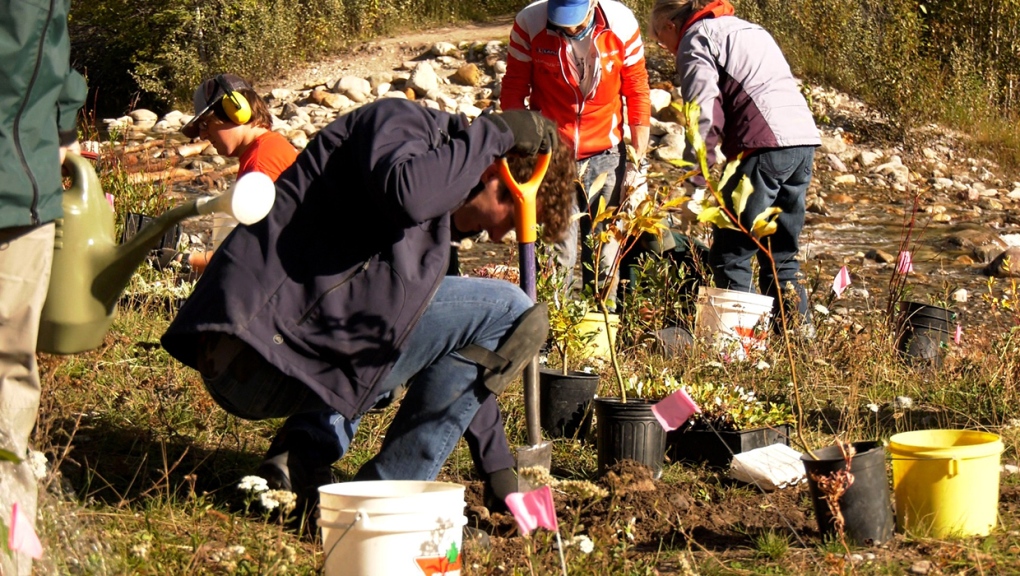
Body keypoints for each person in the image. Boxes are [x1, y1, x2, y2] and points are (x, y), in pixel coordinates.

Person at [161, 99, 575, 510]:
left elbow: (463, 364)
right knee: (513, 309)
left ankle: (301, 453)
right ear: (493, 173)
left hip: (279, 354)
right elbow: (406, 194)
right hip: (250, 351)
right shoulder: (402, 124)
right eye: (513, 216)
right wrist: (498, 132)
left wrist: (498, 469)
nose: (502, 236)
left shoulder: (434, 244)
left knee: (445, 317)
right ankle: (384, 500)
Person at [650, 0, 820, 324]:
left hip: (764, 146)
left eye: (660, 39)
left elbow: (702, 111)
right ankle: (798, 343)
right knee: (781, 254)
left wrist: (695, 181)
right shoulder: (749, 29)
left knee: (731, 253)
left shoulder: (696, 38)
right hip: (802, 142)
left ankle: (735, 353)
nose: (665, 48)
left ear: (671, 26)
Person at [0, 1, 87, 574]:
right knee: (6, 378)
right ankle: (9, 555)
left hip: (19, 183)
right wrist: (61, 127)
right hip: (16, 185)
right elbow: (40, 44)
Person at [501, 0, 651, 306]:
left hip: (608, 154)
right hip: (552, 154)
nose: (569, 28)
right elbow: (514, 87)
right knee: (558, 252)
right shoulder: (530, 23)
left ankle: (603, 332)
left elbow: (637, 90)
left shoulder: (621, 23)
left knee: (605, 253)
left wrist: (638, 161)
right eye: (561, 21)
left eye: (577, 21)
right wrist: (520, 148)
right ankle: (558, 332)